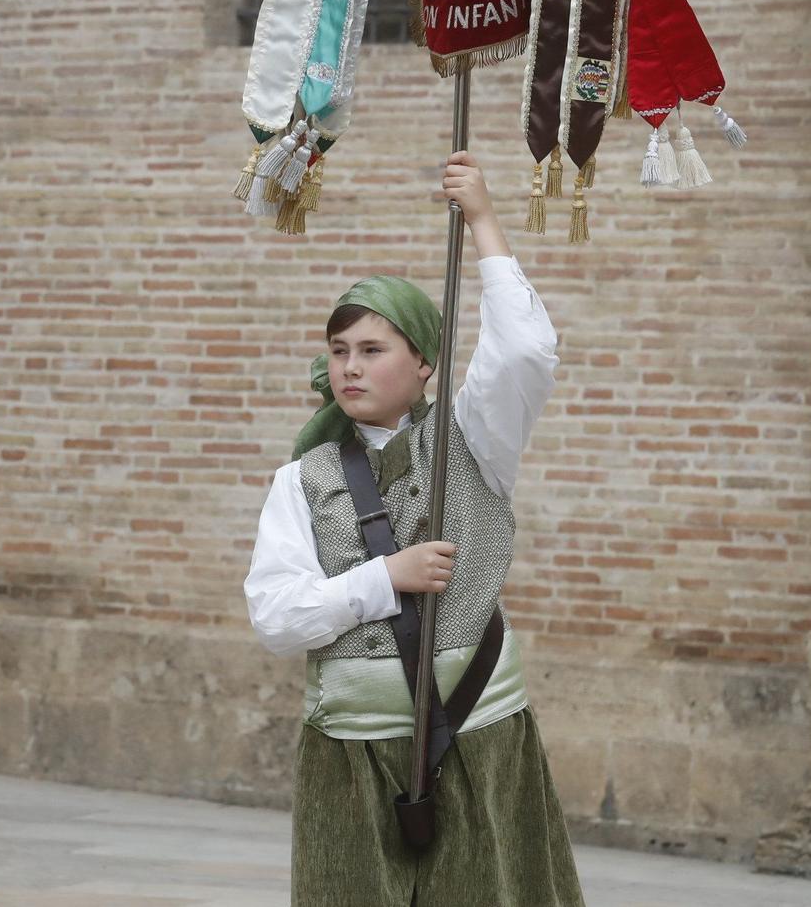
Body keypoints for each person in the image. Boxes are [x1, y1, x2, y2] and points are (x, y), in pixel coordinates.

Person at [244, 151, 584, 904]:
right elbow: (274, 615)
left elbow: (526, 349)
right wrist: (381, 580)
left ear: (426, 360)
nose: (350, 368)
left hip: (479, 736)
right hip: (352, 755)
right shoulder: (302, 480)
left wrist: (485, 220)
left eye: (372, 349)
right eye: (339, 352)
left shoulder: (477, 440)